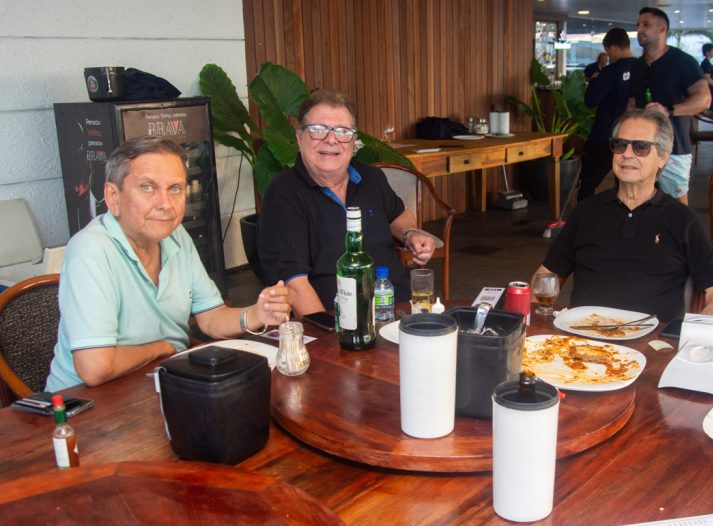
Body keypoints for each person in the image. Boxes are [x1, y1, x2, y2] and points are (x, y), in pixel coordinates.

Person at [46, 137, 292, 391]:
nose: (165, 204)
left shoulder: (175, 235)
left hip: (156, 383)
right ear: (113, 197)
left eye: (175, 188)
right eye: (148, 187)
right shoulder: (90, 250)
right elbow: (95, 368)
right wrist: (160, 348)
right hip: (82, 405)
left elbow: (210, 318)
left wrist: (256, 314)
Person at [535, 109, 713, 321]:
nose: (627, 154)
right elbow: (546, 275)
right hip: (582, 341)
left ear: (663, 157)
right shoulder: (586, 212)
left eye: (641, 147)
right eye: (620, 144)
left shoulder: (682, 220)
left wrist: (697, 329)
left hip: (653, 345)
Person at [258, 90, 434, 315]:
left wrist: (411, 234)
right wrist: (329, 337)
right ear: (299, 137)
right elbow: (294, 285)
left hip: (397, 311)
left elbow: (398, 214)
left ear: (353, 140)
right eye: (318, 130)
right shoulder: (283, 195)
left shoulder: (371, 178)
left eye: (343, 131)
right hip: (338, 326)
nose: (331, 140)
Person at [628, 6, 711, 205]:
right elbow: (631, 103)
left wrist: (670, 110)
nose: (640, 29)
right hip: (639, 147)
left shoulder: (682, 62)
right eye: (638, 25)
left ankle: (681, 237)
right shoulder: (637, 66)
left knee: (677, 204)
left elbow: (704, 99)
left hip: (673, 148)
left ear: (662, 29)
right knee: (637, 201)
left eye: (646, 25)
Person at [578, 28, 637, 200]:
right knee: (627, 182)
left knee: (588, 181)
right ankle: (625, 220)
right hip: (633, 137)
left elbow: (590, 101)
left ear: (612, 48)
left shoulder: (611, 72)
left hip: (605, 134)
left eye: (607, 50)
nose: (608, 55)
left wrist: (595, 80)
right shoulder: (643, 69)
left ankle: (584, 219)